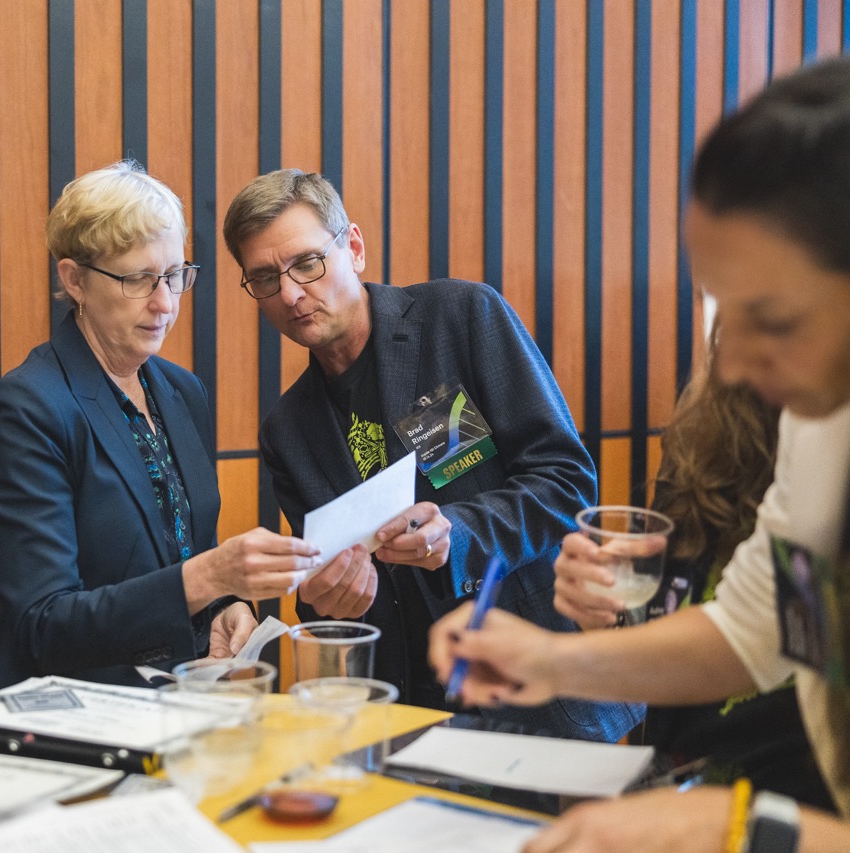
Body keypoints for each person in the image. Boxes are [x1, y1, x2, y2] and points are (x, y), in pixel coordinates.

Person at [430, 56, 850, 852]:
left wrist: (749, 828)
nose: (729, 368)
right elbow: (766, 626)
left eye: (774, 317)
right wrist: (554, 661)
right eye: (722, 309)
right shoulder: (820, 415)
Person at [222, 169, 640, 741]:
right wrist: (323, 603)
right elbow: (330, 600)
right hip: (410, 718)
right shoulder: (287, 430)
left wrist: (458, 536)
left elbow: (564, 479)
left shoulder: (458, 319)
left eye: (307, 263)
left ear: (355, 248)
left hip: (542, 687)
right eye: (265, 279)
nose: (291, 294)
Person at [0, 161, 323, 692]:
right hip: (68, 710)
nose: (165, 302)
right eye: (138, 279)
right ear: (74, 280)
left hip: (175, 696)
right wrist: (210, 579)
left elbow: (181, 550)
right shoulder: (27, 407)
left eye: (176, 276)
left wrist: (222, 605)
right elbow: (41, 623)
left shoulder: (181, 391)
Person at [555, 328, 833, 808]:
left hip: (801, 808)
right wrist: (610, 608)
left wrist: (543, 660)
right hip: (677, 785)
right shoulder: (708, 434)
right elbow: (673, 617)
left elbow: (758, 633)